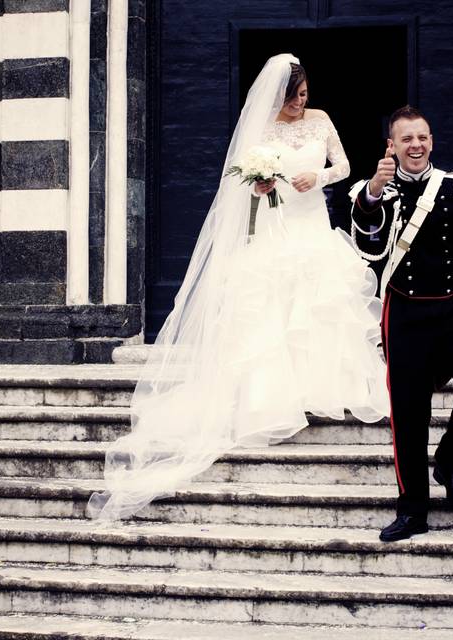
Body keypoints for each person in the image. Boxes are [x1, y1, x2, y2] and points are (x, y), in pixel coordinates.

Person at [88, 54, 389, 521]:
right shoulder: (261, 129)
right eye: (293, 99)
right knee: (270, 315)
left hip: (313, 227)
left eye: (304, 95)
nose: (300, 105)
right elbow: (246, 186)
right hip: (276, 229)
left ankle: (322, 389)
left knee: (319, 308)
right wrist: (262, 185)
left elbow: (346, 166)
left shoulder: (322, 120)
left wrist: (320, 176)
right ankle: (275, 397)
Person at [349, 105, 453, 542]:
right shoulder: (377, 191)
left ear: (431, 141)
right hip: (405, 311)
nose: (415, 145)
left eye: (422, 137)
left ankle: (449, 459)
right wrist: (374, 192)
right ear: (392, 146)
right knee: (408, 411)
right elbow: (369, 245)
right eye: (406, 139)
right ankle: (413, 509)